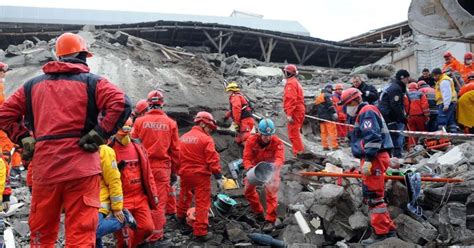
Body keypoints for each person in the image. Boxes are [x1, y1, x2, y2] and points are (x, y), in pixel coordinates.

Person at [0, 32, 131, 247]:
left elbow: (4, 114)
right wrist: (99, 133)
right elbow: (121, 102)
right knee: (80, 235)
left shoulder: (31, 86)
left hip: (46, 170)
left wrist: (23, 138)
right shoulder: (93, 82)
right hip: (82, 170)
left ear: (58, 57)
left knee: (42, 233)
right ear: (83, 56)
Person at [339, 88, 396, 245]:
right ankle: (388, 228)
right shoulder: (365, 111)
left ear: (355, 100)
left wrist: (370, 159)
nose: (346, 108)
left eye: (346, 104)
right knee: (373, 195)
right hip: (374, 156)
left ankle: (381, 233)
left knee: (374, 196)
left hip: (375, 157)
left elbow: (372, 137)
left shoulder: (366, 111)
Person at [131, 90, 180, 243]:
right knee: (158, 202)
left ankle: (139, 233)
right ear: (162, 104)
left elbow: (131, 145)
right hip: (161, 168)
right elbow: (175, 151)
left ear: (149, 103)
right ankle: (155, 235)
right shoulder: (171, 123)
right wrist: (174, 172)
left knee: (140, 200)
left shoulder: (139, 122)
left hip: (142, 167)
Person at [110, 119, 159, 247]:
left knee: (148, 228)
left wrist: (154, 193)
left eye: (129, 129)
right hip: (122, 200)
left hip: (140, 197)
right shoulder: (109, 148)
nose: (126, 133)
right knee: (125, 239)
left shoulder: (138, 146)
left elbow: (148, 173)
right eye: (123, 129)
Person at [177, 111, 223, 242]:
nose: (209, 130)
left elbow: (178, 157)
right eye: (209, 127)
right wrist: (218, 176)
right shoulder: (206, 139)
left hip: (185, 173)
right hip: (200, 175)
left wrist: (178, 172)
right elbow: (212, 160)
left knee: (184, 194)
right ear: (203, 124)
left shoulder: (183, 137)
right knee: (202, 202)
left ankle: (180, 216)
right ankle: (200, 232)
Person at [243, 119, 285, 232]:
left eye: (269, 135)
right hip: (255, 168)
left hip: (271, 169)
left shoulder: (277, 142)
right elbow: (246, 158)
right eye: (265, 135)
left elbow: (280, 158)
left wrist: (274, 166)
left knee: (271, 193)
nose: (267, 138)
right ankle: (258, 212)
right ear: (259, 133)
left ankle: (270, 220)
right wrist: (249, 167)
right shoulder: (251, 141)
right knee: (248, 191)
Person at [96, 144, 136, 248]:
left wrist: (117, 208)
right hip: (89, 199)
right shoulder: (80, 149)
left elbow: (114, 181)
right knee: (94, 240)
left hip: (98, 200)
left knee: (93, 231)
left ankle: (124, 220)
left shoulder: (104, 151)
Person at [378, 69, 410, 158]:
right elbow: (395, 105)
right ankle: (396, 156)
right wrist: (402, 117)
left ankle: (393, 155)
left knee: (393, 135)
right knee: (394, 135)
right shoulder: (396, 88)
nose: (408, 80)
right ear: (402, 78)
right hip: (389, 115)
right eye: (407, 78)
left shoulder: (394, 86)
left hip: (387, 114)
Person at [282, 64, 305, 156]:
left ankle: (299, 153)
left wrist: (289, 114)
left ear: (288, 73)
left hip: (295, 111)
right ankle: (299, 151)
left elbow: (291, 99)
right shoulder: (295, 82)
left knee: (293, 134)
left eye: (285, 72)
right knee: (295, 133)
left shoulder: (291, 83)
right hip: (299, 110)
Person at [404, 83, 430, 148]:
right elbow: (425, 105)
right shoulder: (420, 94)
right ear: (416, 87)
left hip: (410, 117)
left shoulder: (406, 95)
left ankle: (411, 147)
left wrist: (407, 115)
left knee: (411, 133)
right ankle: (425, 145)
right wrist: (427, 116)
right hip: (420, 116)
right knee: (423, 131)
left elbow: (405, 106)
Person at [432, 68, 458, 133]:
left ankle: (441, 134)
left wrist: (446, 105)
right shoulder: (443, 80)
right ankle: (453, 133)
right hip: (449, 102)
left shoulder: (444, 81)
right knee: (450, 119)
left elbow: (446, 93)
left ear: (438, 74)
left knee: (442, 118)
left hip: (445, 102)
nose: (434, 77)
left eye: (434, 76)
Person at [314, 83, 338, 150]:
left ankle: (325, 146)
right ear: (329, 89)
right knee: (332, 131)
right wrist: (334, 113)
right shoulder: (327, 95)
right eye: (331, 89)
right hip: (328, 117)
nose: (332, 91)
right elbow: (330, 105)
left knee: (323, 132)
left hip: (321, 118)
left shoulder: (319, 97)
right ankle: (334, 146)